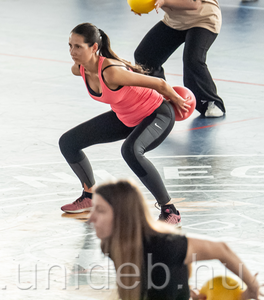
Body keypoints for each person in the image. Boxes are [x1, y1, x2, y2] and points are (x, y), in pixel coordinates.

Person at [60, 23, 188, 224]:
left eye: (78, 46)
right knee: (68, 142)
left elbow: (160, 83)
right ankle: (89, 196)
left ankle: (170, 210)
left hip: (156, 113)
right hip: (126, 117)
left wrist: (179, 101)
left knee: (131, 151)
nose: (72, 51)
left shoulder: (112, 72)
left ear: (94, 47)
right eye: (70, 45)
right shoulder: (79, 70)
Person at [90, 180, 262, 300]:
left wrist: (252, 287)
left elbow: (221, 250)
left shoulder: (164, 246)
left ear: (123, 216)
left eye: (100, 210)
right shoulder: (110, 244)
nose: (91, 218)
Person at [134, 0, 225, 118]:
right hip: (174, 21)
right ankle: (159, 98)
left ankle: (211, 102)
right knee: (144, 56)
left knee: (193, 60)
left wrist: (164, 1)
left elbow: (195, 3)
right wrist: (141, 5)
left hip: (203, 20)